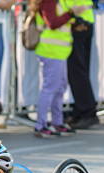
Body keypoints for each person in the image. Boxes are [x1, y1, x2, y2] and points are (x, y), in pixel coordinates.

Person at [32, 0, 89, 137]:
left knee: (59, 87)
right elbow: (52, 23)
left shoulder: (58, 1)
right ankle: (41, 125)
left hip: (59, 52)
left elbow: (58, 23)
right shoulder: (49, 1)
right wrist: (71, 13)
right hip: (51, 51)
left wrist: (75, 24)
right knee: (50, 88)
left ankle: (57, 123)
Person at [66, 0, 99, 129]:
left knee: (77, 72)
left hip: (77, 22)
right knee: (80, 71)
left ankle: (87, 112)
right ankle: (81, 110)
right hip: (83, 21)